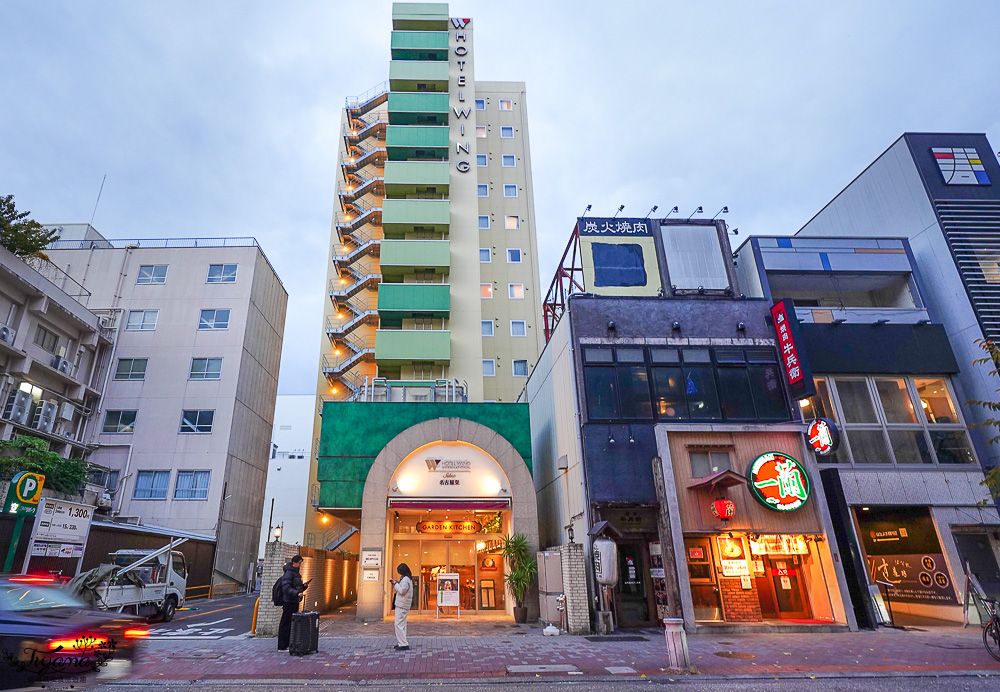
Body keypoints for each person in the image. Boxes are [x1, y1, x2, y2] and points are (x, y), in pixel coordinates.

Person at [276, 555, 311, 651]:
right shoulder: (289, 573)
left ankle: (287, 644)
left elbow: (295, 586)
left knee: (290, 624)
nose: (300, 565)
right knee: (286, 623)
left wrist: (303, 587)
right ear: (294, 562)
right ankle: (282, 646)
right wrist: (297, 593)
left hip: (293, 601)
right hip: (289, 602)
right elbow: (286, 588)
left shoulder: (294, 573)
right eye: (299, 563)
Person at [389, 563, 413, 651]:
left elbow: (402, 591)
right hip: (403, 604)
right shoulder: (407, 579)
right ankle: (402, 642)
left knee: (398, 624)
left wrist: (395, 584)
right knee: (401, 624)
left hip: (402, 604)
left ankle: (403, 643)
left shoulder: (405, 580)